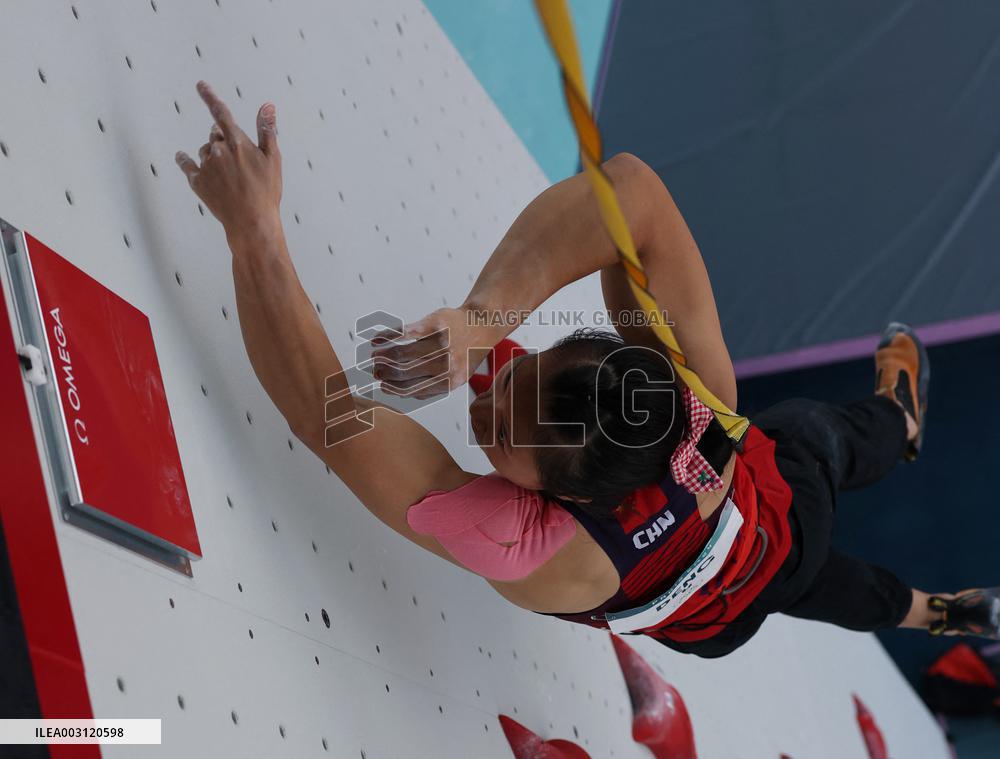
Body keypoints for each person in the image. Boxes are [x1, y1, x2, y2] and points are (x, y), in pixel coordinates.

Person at [175, 81, 998, 658]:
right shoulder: (691, 382)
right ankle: (930, 591)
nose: (484, 402)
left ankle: (911, 459)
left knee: (825, 486)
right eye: (510, 379)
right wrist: (485, 319)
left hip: (755, 545)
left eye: (497, 432)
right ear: (596, 345)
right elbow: (632, 194)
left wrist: (254, 230)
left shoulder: (542, 547)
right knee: (815, 501)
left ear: (560, 498)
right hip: (760, 515)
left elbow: (328, 418)